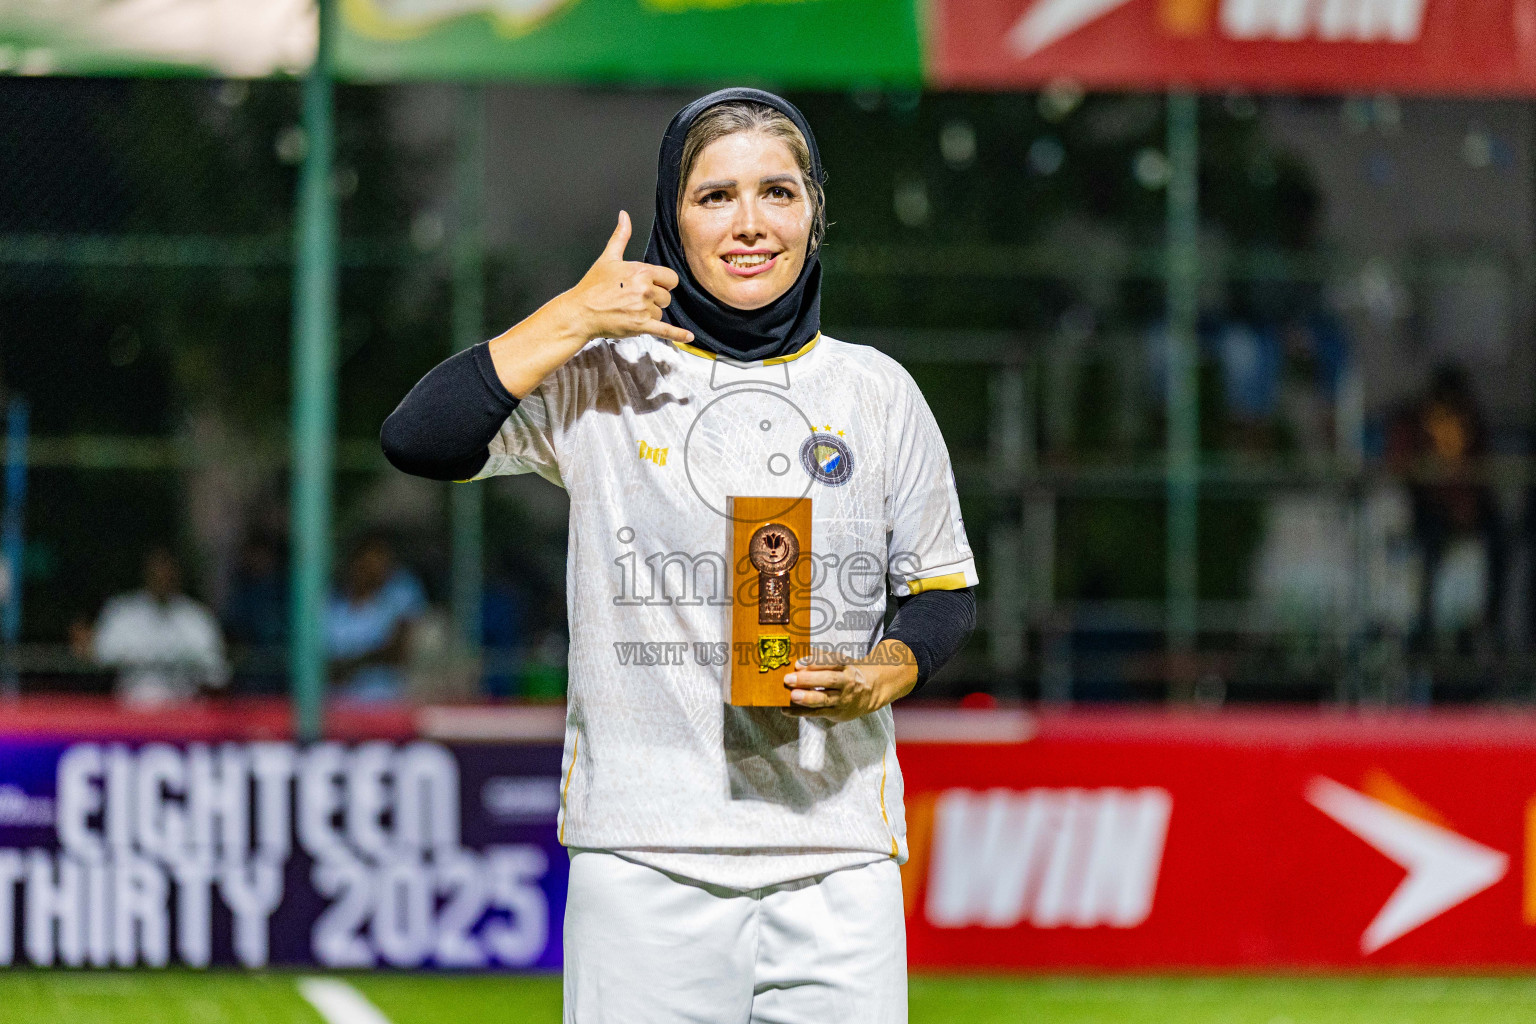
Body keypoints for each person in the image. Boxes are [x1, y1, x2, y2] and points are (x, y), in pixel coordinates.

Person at [382, 88, 977, 1023]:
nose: (750, 224)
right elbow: (419, 438)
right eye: (715, 196)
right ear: (672, 216)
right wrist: (573, 317)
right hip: (643, 860)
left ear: (816, 213)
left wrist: (885, 672)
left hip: (839, 862)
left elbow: (942, 590)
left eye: (778, 193)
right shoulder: (607, 376)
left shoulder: (878, 391)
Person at [81, 546, 229, 707]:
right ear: (146, 572)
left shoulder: (197, 618)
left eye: (167, 570)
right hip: (132, 714)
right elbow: (98, 658)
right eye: (157, 570)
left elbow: (217, 675)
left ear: (177, 574)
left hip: (185, 714)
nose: (162, 576)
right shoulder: (122, 612)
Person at [324, 533, 427, 701]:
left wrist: (351, 664)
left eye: (383, 562)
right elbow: (317, 664)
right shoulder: (331, 603)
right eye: (369, 562)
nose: (377, 569)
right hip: (335, 707)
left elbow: (397, 654)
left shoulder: (400, 594)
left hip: (385, 705)